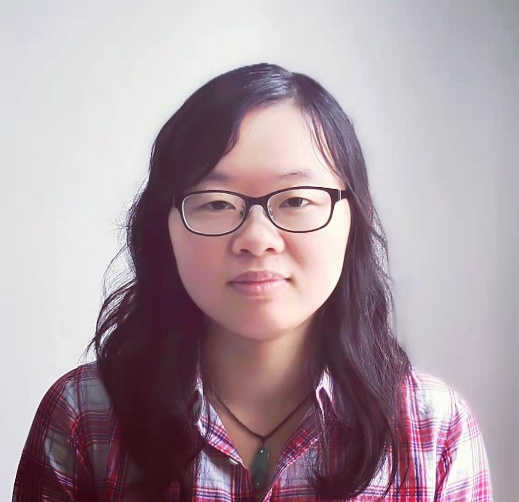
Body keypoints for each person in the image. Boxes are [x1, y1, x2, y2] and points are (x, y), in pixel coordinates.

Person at [12, 63, 493, 501]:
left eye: (296, 200)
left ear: (354, 219)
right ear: (165, 228)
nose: (257, 239)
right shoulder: (84, 418)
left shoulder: (433, 430)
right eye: (217, 202)